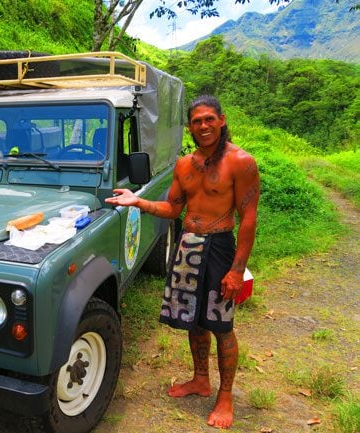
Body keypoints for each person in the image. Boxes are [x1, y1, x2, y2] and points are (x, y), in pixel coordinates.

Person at [105, 95, 260, 429]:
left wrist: (236, 270)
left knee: (222, 326)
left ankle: (225, 395)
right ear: (189, 127)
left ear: (221, 120)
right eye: (196, 121)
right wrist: (138, 202)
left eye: (208, 119)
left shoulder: (240, 162)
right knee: (193, 321)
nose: (203, 126)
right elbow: (174, 209)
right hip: (188, 246)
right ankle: (200, 379)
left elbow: (249, 219)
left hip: (219, 248)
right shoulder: (184, 165)